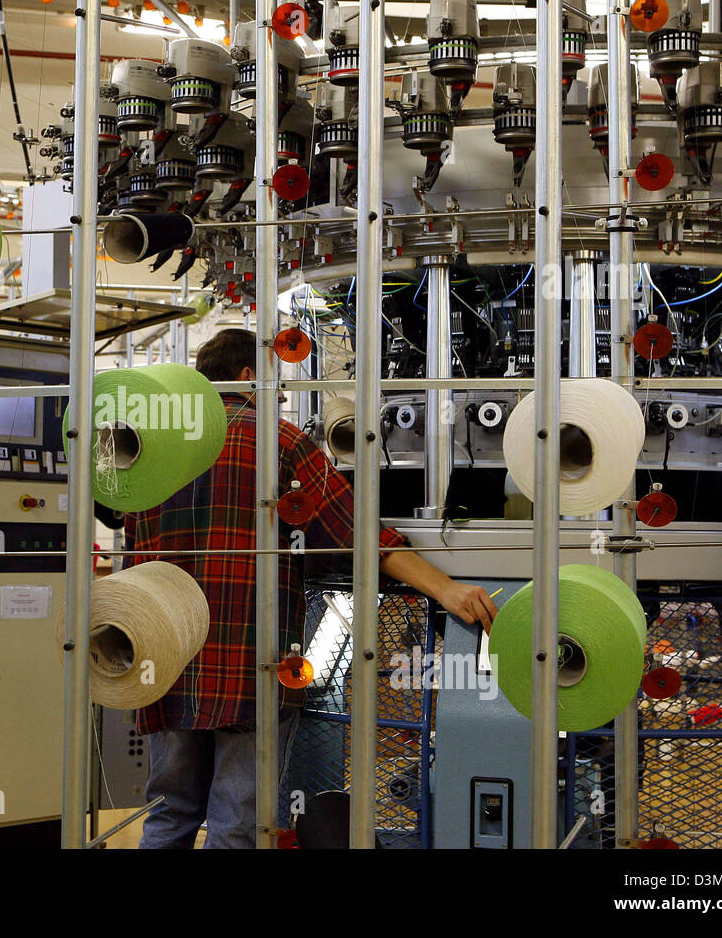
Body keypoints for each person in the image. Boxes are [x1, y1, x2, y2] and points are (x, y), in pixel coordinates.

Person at [122, 328, 498, 849]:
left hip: (165, 656)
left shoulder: (151, 448)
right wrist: (446, 589)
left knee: (170, 812)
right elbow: (360, 536)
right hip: (247, 661)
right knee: (236, 818)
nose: (277, 393)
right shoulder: (278, 440)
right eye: (272, 380)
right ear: (248, 375)